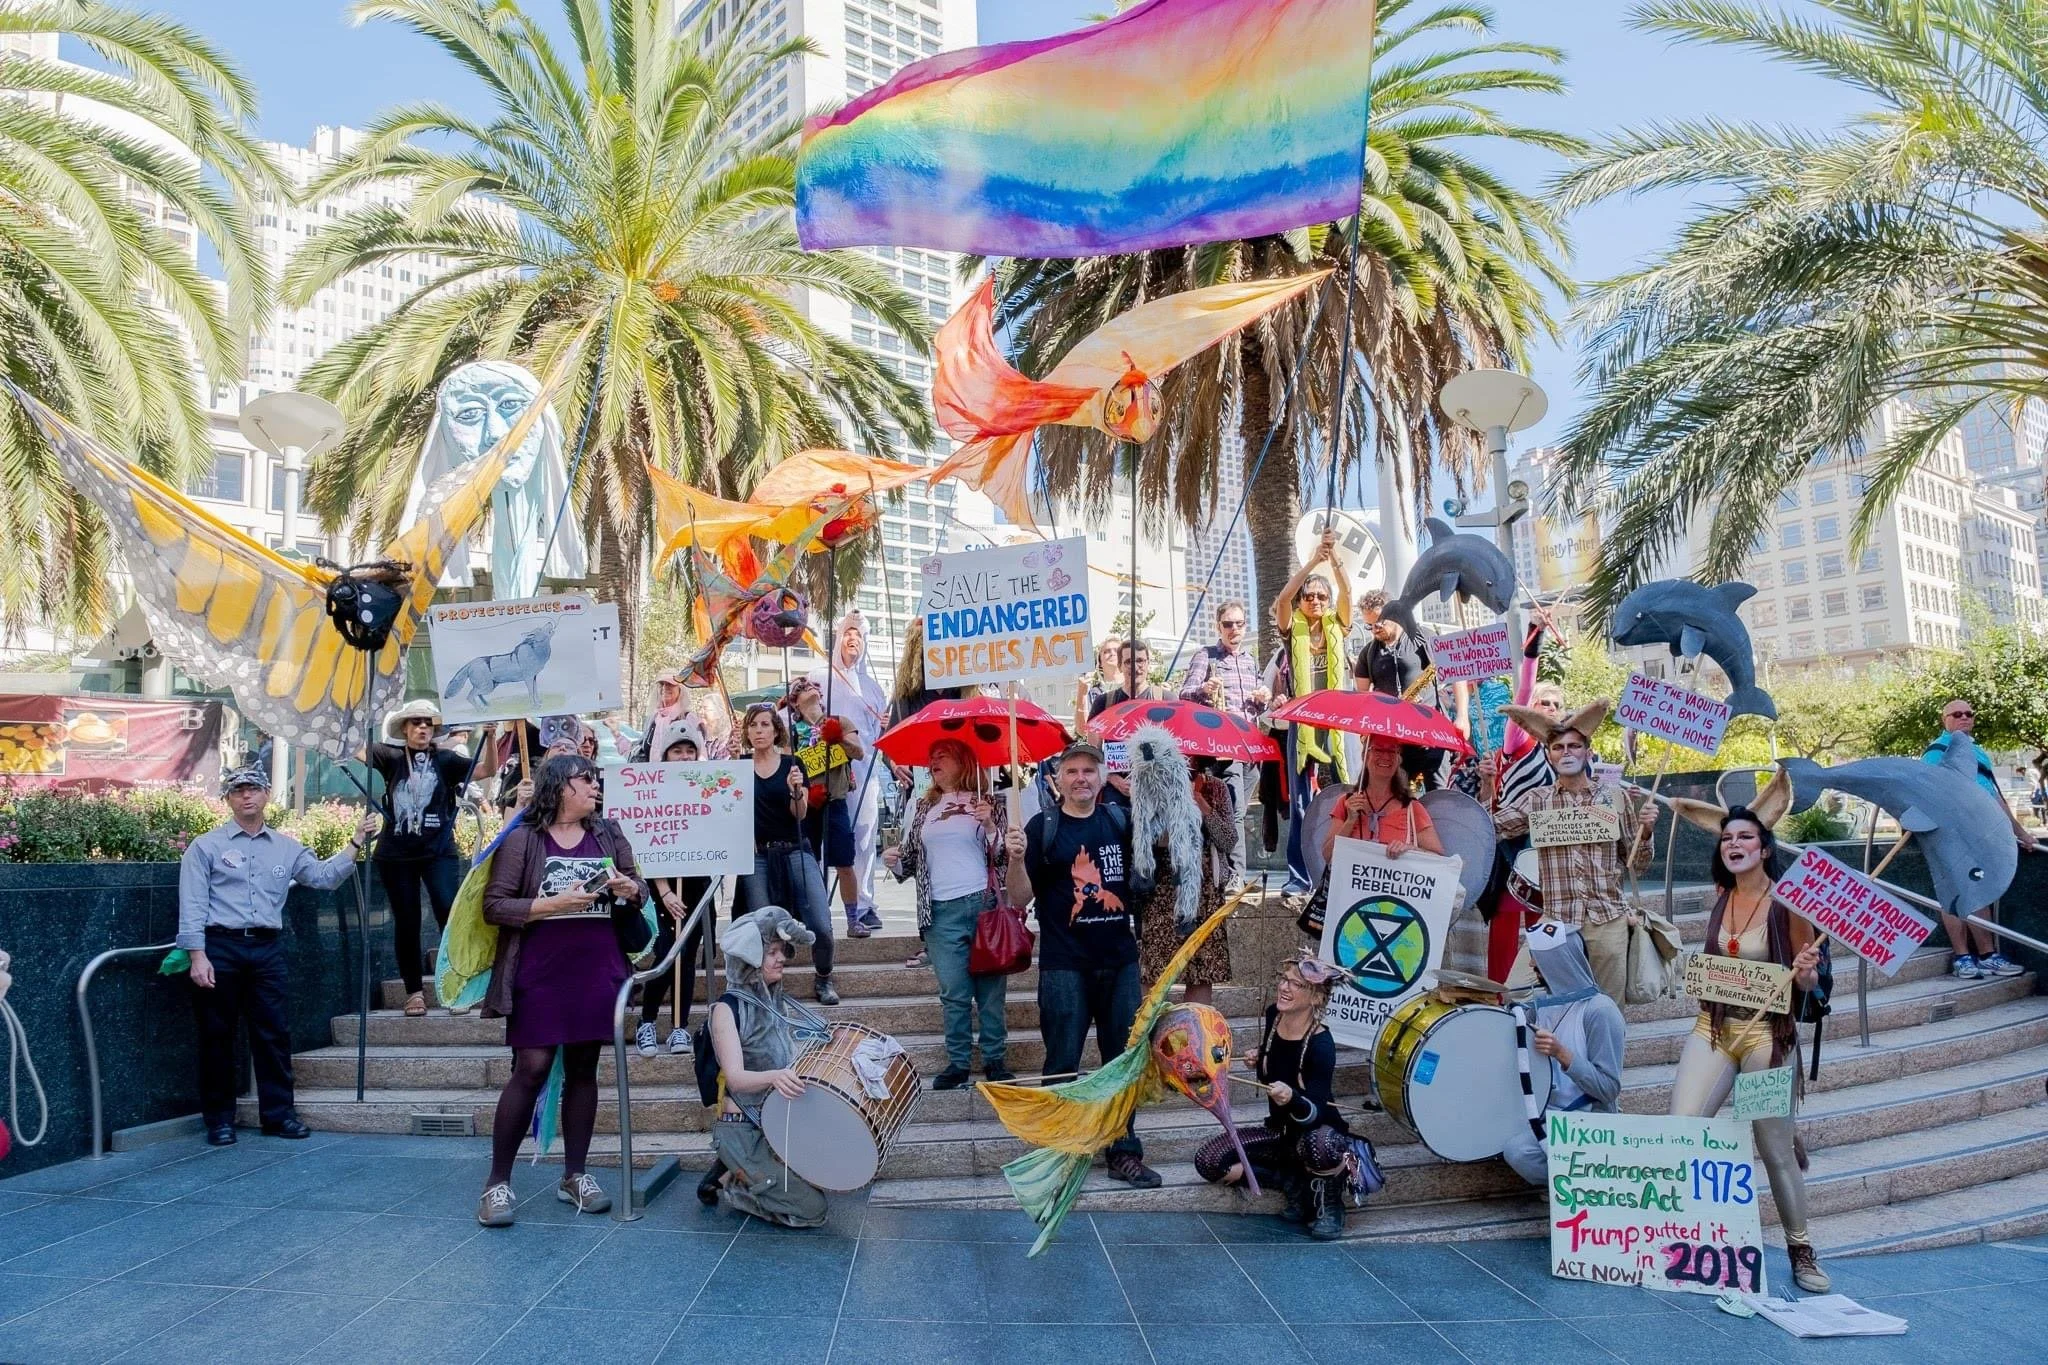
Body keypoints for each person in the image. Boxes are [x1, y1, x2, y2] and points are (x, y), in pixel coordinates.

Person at [476, 753, 648, 1227]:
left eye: (597, 780)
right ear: (559, 785)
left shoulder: (607, 833)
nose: (596, 787)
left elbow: (639, 888)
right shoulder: (524, 838)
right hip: (540, 969)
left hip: (598, 969)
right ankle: (497, 1184)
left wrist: (631, 891)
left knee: (584, 1069)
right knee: (531, 1067)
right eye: (586, 780)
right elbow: (496, 906)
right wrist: (552, 904)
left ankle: (575, 1175)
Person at [1667, 805, 1832, 1293]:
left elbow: (1812, 981)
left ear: (1764, 847)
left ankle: (1801, 1249)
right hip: (1714, 1028)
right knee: (1682, 1133)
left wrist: (1806, 975)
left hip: (1767, 1038)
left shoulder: (1790, 903)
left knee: (1774, 1151)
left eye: (1744, 837)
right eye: (1726, 839)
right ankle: (1694, 1235)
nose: (1734, 844)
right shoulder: (1723, 896)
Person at [178, 766, 379, 1146]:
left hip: (267, 948)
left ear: (267, 794)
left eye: (253, 788)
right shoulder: (206, 847)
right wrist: (197, 955)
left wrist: (355, 842)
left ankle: (279, 1115)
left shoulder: (286, 847)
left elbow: (322, 877)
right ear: (228, 799)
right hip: (220, 945)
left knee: (273, 1033)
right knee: (216, 1035)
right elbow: (191, 904)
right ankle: (219, 1120)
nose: (246, 796)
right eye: (238, 791)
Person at [1004, 740, 1161, 1188]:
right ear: (1057, 779)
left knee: (1122, 1063)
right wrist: (1016, 859)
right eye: (1071, 771)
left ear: (1101, 776)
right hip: (1064, 967)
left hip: (1120, 962)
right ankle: (1059, 1151)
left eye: (1088, 771)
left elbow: (1148, 873)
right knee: (1061, 1063)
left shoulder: (1119, 820)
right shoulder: (1041, 828)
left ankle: (1124, 1150)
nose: (1080, 779)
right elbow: (1018, 897)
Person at [1490, 700, 1657, 1004]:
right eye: (1559, 747)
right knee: (1557, 1007)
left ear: (1587, 752)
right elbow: (1492, 828)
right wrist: (1487, 782)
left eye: (1574, 745)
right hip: (1558, 922)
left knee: (1609, 1010)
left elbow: (1638, 863)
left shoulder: (1614, 798)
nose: (1566, 752)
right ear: (1549, 756)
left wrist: (1646, 832)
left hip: (1608, 921)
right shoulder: (1537, 800)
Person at [1195, 952, 1351, 1239]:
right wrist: (1262, 1059)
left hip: (1316, 1135)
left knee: (1322, 1144)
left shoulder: (1321, 1045)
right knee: (1210, 1160)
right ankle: (1294, 1185)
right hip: (1280, 1134)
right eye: (1284, 980)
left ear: (1316, 998)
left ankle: (1329, 1206)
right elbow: (1272, 1077)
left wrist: (1292, 1097)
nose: (1284, 987)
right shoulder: (1273, 1015)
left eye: (1296, 984)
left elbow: (1314, 1111)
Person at [883, 737, 1011, 1087]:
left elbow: (1003, 857)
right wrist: (891, 860)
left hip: (983, 905)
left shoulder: (989, 801)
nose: (933, 763)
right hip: (939, 911)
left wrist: (988, 826)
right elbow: (909, 861)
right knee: (953, 992)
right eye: (931, 757)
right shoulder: (924, 807)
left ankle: (995, 1059)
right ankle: (958, 1062)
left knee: (990, 991)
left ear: (963, 761)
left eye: (942, 757)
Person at [704, 907, 833, 1227]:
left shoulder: (776, 1002)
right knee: (812, 1210)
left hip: (775, 1120)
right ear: (748, 959)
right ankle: (735, 1185)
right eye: (770, 952)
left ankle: (731, 1170)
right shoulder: (726, 1009)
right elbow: (735, 1078)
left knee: (834, 1171)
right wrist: (776, 1077)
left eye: (782, 951)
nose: (781, 959)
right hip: (741, 1124)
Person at [367, 701, 497, 1017]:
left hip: (439, 851)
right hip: (396, 855)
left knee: (448, 913)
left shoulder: (447, 758)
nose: (422, 728)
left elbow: (487, 771)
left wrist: (491, 738)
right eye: (415, 723)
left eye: (427, 723)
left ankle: (458, 986)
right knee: (407, 920)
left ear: (434, 730)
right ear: (405, 729)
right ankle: (414, 993)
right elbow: (354, 749)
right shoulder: (390, 755)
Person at [1500, 919, 1627, 1185]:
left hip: (1588, 1117)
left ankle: (1584, 1190)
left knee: (1519, 1152)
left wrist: (1563, 1053)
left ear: (1556, 964)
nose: (1533, 966)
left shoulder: (1600, 1010)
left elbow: (1608, 1089)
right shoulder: (1542, 1005)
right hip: (1546, 1113)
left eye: (1538, 961)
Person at [1263, 529, 1353, 898]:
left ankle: (1338, 872)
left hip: (1334, 724)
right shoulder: (1292, 629)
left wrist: (1333, 562)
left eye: (1321, 596)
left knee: (1344, 797)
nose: (1315, 600)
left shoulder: (1337, 625)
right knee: (1300, 804)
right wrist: (1313, 562)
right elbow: (1284, 596)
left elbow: (1348, 594)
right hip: (1301, 727)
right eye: (1309, 596)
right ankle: (1299, 876)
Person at [1923, 698, 2034, 978]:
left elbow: (1994, 795)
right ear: (1944, 719)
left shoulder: (1978, 752)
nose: (1964, 718)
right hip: (1949, 833)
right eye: (1956, 714)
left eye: (1968, 714)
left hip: (1981, 832)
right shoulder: (1938, 751)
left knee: (1979, 891)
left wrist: (2019, 833)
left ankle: (1986, 954)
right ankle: (1962, 957)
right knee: (1953, 893)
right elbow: (1929, 791)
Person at [735, 702, 837, 1004]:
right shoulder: (739, 765)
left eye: (765, 724)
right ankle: (766, 985)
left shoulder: (793, 764)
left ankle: (824, 976)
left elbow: (800, 814)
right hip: (758, 855)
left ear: (776, 729)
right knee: (762, 927)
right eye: (753, 725)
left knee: (820, 923)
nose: (759, 730)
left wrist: (795, 789)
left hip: (795, 849)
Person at [1127, 729, 1234, 1006]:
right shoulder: (1148, 785)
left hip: (1204, 890)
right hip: (1162, 889)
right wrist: (1171, 812)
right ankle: (1148, 1039)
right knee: (1154, 967)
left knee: (1201, 969)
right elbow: (1145, 841)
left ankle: (1196, 1037)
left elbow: (1228, 839)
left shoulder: (1215, 787)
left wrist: (1201, 806)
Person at [810, 611, 892, 938]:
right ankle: (815, 906)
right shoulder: (818, 675)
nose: (852, 639)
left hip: (865, 770)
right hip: (826, 773)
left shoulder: (874, 689)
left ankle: (864, 905)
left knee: (863, 836)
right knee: (819, 840)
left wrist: (887, 728)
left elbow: (878, 737)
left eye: (858, 634)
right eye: (847, 633)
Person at [635, 724, 715, 1057]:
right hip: (661, 888)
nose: (683, 757)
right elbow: (644, 844)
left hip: (698, 884)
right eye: (676, 751)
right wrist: (665, 892)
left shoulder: (708, 788)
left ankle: (679, 1026)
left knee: (688, 955)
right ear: (665, 755)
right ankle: (647, 1021)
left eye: (689, 751)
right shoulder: (652, 788)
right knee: (669, 950)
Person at [1179, 600, 1268, 888]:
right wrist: (1203, 690)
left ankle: (1224, 870)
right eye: (1228, 624)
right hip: (1223, 750)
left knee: (1232, 813)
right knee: (1236, 812)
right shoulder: (1206, 656)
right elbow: (1184, 695)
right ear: (1218, 627)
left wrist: (1261, 699)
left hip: (1250, 747)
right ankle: (1234, 874)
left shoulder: (1249, 660)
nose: (1234, 629)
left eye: (1239, 624)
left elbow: (1253, 709)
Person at [783, 676, 870, 940]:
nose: (808, 688)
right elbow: (785, 762)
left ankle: (854, 918)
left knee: (844, 861)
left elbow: (859, 751)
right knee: (809, 864)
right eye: (800, 689)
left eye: (810, 686)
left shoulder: (839, 721)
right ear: (794, 702)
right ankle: (815, 918)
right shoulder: (791, 729)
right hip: (807, 803)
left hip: (836, 801)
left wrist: (837, 739)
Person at [1318, 736, 1445, 869]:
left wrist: (1411, 850)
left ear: (1399, 759)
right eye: (1378, 750)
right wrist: (1349, 822)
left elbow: (1438, 859)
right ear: (1365, 756)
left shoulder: (1412, 809)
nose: (1385, 756)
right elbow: (1328, 856)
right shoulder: (1346, 802)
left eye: (1392, 751)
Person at [1089, 639, 1169, 717]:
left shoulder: (1166, 699)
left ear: (1148, 663)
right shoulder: (1103, 702)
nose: (1135, 667)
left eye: (1140, 661)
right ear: (1120, 666)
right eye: (1129, 662)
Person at [1073, 638, 1127, 735]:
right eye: (1106, 651)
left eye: (1116, 650)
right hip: (1102, 748)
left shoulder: (1136, 688)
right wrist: (1081, 695)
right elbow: (1082, 731)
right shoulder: (1093, 693)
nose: (1112, 653)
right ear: (1100, 662)